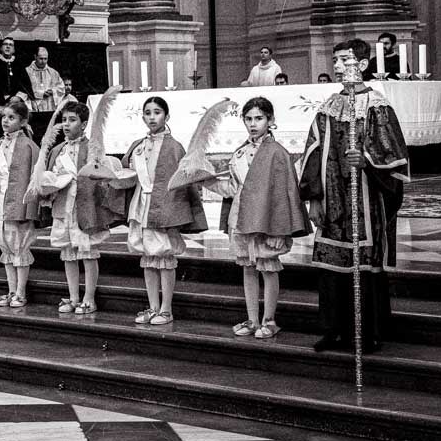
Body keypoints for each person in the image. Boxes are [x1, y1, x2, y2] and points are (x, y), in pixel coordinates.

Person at [300, 39, 409, 353]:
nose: (337, 66)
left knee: (363, 264)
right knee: (332, 264)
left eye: (345, 60)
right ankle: (333, 329)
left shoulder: (377, 105)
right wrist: (315, 198)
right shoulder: (330, 106)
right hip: (334, 202)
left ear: (362, 65)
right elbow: (313, 151)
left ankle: (367, 331)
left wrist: (368, 160)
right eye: (335, 60)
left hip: (366, 200)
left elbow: (395, 152)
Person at [205, 97, 309, 339]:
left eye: (259, 119)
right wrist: (206, 180)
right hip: (241, 218)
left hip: (268, 221)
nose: (253, 124)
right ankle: (252, 319)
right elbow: (232, 188)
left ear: (270, 120)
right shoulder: (239, 153)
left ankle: (269, 319)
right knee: (248, 268)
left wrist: (279, 229)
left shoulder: (277, 153)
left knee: (268, 267)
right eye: (248, 119)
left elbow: (285, 193)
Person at [120, 97, 207, 326]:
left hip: (165, 207)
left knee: (164, 256)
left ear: (166, 116)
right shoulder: (138, 145)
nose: (152, 117)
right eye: (147, 113)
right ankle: (152, 306)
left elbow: (180, 182)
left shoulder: (174, 146)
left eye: (157, 112)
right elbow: (129, 172)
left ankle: (166, 308)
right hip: (142, 206)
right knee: (148, 257)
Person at [38, 101, 121, 314]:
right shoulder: (57, 150)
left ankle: (89, 297)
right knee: (68, 252)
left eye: (72, 120)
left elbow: (103, 176)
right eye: (64, 120)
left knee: (87, 252)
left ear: (84, 124)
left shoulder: (92, 147)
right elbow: (49, 175)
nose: (66, 124)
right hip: (64, 204)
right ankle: (73, 296)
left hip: (86, 204)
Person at [0, 99, 39, 308]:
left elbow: (31, 178)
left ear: (23, 121)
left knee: (19, 246)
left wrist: (29, 207)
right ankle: (11, 290)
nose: (5, 121)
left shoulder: (28, 146)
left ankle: (21, 292)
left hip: (17, 202)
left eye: (11, 117)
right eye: (4, 117)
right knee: (5, 246)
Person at [0, 37, 33, 106]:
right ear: (1, 48)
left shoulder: (19, 65)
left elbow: (26, 85)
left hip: (16, 102)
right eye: (5, 44)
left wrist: (18, 97)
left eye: (11, 45)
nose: (8, 46)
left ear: (14, 50)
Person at [25, 46, 66, 112]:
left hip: (50, 106)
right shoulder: (27, 72)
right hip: (33, 107)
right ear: (35, 57)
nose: (43, 61)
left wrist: (53, 91)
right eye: (41, 58)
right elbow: (24, 90)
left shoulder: (53, 72)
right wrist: (41, 94)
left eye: (45, 59)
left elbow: (61, 88)